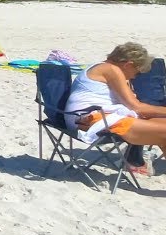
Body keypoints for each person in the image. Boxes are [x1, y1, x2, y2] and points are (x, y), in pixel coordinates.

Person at [67, 42, 166, 175]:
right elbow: (137, 107)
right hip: (89, 119)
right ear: (128, 65)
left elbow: (134, 105)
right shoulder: (110, 70)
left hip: (98, 117)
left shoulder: (104, 69)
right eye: (137, 71)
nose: (135, 76)